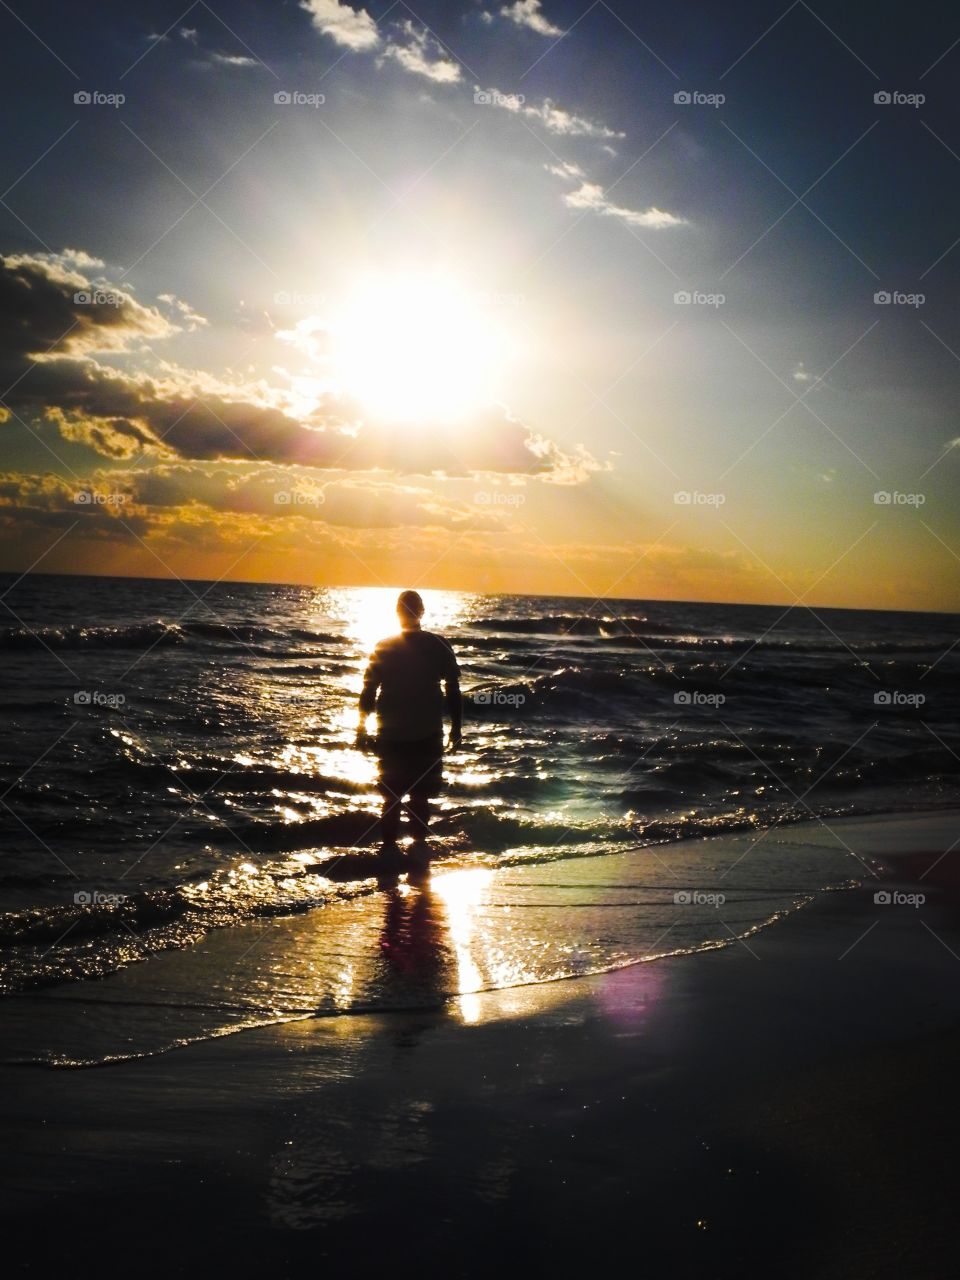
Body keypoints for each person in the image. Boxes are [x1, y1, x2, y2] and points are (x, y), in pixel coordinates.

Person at [356, 589, 462, 851]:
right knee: (419, 796)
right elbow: (453, 689)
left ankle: (391, 855)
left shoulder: (384, 646)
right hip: (424, 733)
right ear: (422, 612)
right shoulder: (438, 644)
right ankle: (416, 853)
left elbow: (369, 690)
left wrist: (361, 727)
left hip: (394, 734)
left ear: (397, 613)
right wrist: (456, 728)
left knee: (392, 798)